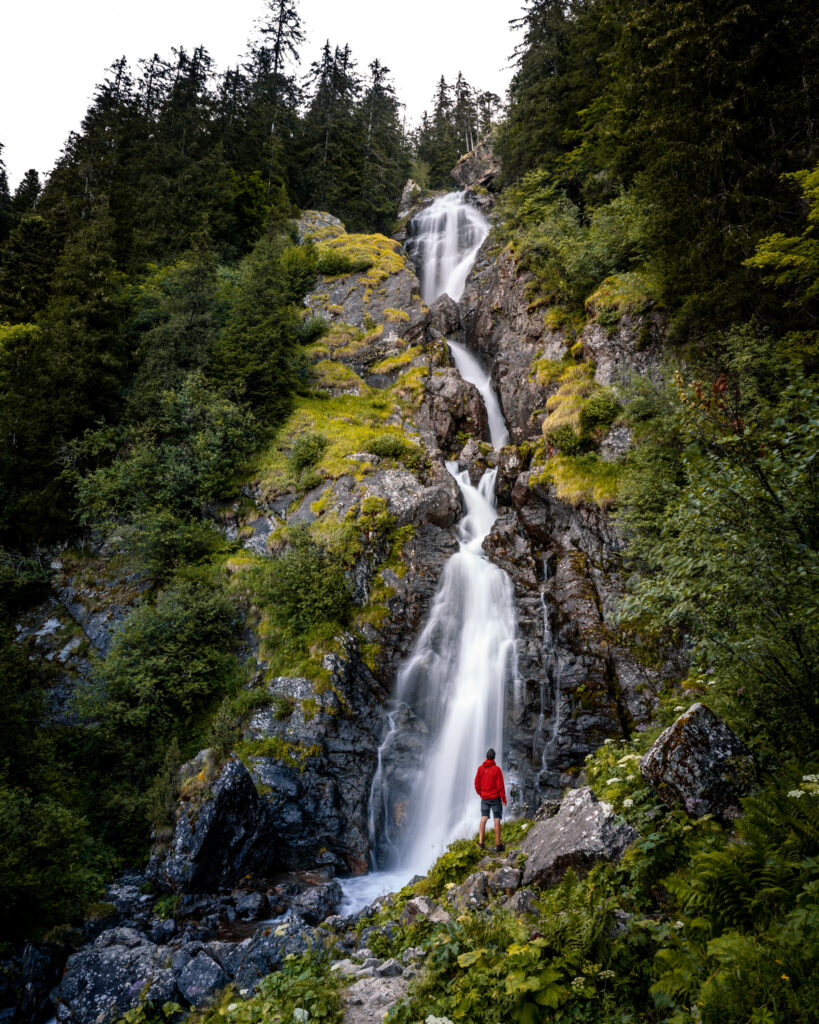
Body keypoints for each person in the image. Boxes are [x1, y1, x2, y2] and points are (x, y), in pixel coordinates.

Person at [474, 747, 507, 851]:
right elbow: (500, 785)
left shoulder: (480, 768)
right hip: (495, 798)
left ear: (486, 757)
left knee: (483, 818)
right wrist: (503, 798)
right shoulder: (496, 769)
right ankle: (498, 845)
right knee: (496, 820)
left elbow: (476, 783)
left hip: (484, 798)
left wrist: (480, 793)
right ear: (494, 758)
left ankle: (481, 843)